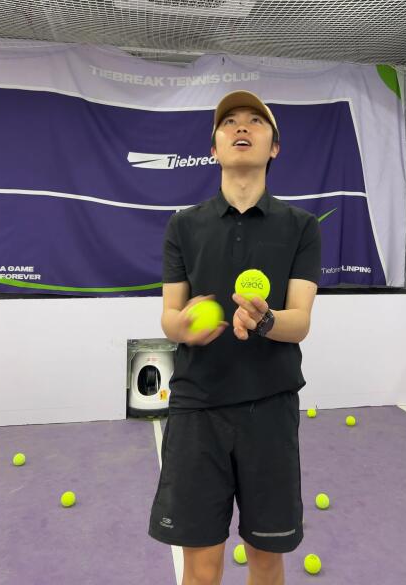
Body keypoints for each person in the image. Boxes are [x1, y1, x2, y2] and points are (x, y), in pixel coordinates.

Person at [149, 90, 322, 585]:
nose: (240, 127)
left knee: (266, 560)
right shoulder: (183, 225)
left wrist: (265, 321)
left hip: (269, 407)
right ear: (214, 149)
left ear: (274, 148)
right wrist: (183, 327)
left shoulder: (301, 227)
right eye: (228, 122)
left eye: (255, 121)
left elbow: (300, 321)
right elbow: (169, 316)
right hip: (197, 408)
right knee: (201, 567)